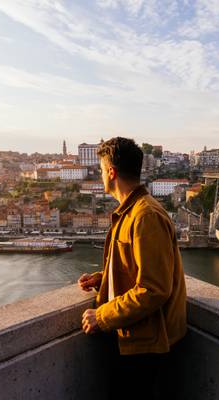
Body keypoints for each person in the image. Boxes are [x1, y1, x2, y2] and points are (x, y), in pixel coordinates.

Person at [78, 137, 187, 399]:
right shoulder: (132, 211)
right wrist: (104, 278)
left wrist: (101, 316)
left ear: (112, 172)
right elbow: (139, 268)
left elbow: (153, 289)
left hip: (147, 345)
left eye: (102, 170)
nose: (100, 175)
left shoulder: (145, 216)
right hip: (137, 338)